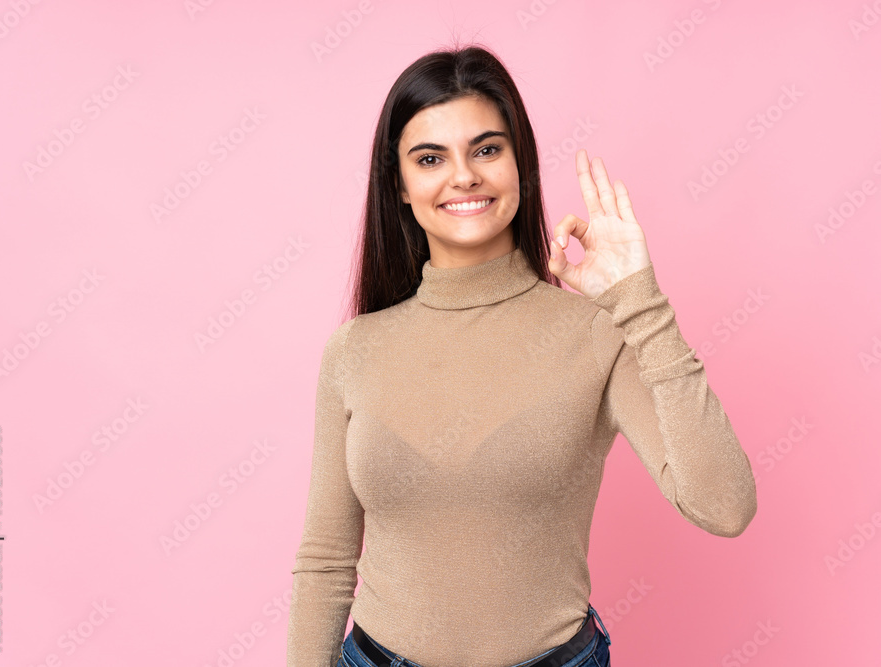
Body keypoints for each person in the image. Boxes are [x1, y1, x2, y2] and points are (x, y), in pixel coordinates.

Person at [287, 43, 757, 667]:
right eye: (430, 158)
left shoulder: (595, 333)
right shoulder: (354, 351)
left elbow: (724, 505)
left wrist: (640, 304)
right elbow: (325, 560)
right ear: (399, 185)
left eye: (486, 149)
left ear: (520, 163)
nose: (464, 176)